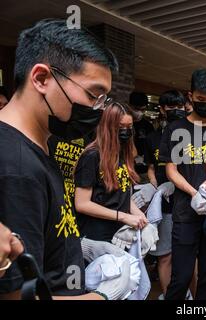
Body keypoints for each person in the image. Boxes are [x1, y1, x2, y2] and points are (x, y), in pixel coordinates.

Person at [0, 19, 129, 300]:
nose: (97, 110)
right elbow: (20, 296)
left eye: (103, 101)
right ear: (42, 79)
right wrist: (102, 296)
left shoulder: (40, 145)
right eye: (93, 95)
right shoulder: (15, 167)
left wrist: (79, 245)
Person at [161, 69, 206, 300]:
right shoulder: (176, 129)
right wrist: (193, 192)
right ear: (191, 96)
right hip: (185, 213)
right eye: (201, 100)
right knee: (182, 276)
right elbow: (171, 169)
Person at [74, 102, 148, 242]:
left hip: (119, 232)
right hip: (95, 235)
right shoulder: (92, 156)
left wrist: (138, 214)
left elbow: (121, 194)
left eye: (129, 127)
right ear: (108, 127)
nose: (126, 132)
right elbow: (82, 204)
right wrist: (124, 216)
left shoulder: (122, 154)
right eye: (120, 127)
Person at [144, 90, 186, 298]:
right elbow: (151, 167)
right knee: (165, 255)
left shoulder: (190, 134)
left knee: (188, 255)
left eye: (180, 106)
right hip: (164, 204)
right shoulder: (152, 139)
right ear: (162, 109)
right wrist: (154, 185)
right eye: (171, 108)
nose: (176, 111)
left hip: (188, 202)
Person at [129, 91, 154, 174]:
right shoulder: (123, 123)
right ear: (130, 106)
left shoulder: (148, 126)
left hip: (143, 168)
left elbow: (152, 146)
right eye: (136, 109)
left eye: (142, 109)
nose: (139, 112)